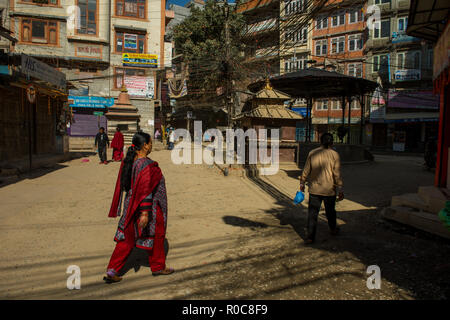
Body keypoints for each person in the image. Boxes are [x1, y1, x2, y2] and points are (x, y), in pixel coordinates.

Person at [104, 131, 174, 283]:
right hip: (148, 206)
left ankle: (112, 269)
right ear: (144, 146)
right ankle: (158, 266)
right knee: (157, 234)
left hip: (130, 205)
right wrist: (145, 213)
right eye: (149, 143)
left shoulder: (129, 161)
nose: (151, 146)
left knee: (127, 238)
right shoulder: (147, 166)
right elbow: (145, 190)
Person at [299, 132, 344, 244]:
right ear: (332, 142)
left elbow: (306, 170)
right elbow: (336, 174)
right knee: (330, 212)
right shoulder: (335, 155)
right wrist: (340, 188)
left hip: (315, 189)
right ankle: (333, 229)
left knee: (312, 214)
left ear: (320, 142)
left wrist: (302, 183)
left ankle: (310, 237)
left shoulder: (312, 153)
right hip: (329, 190)